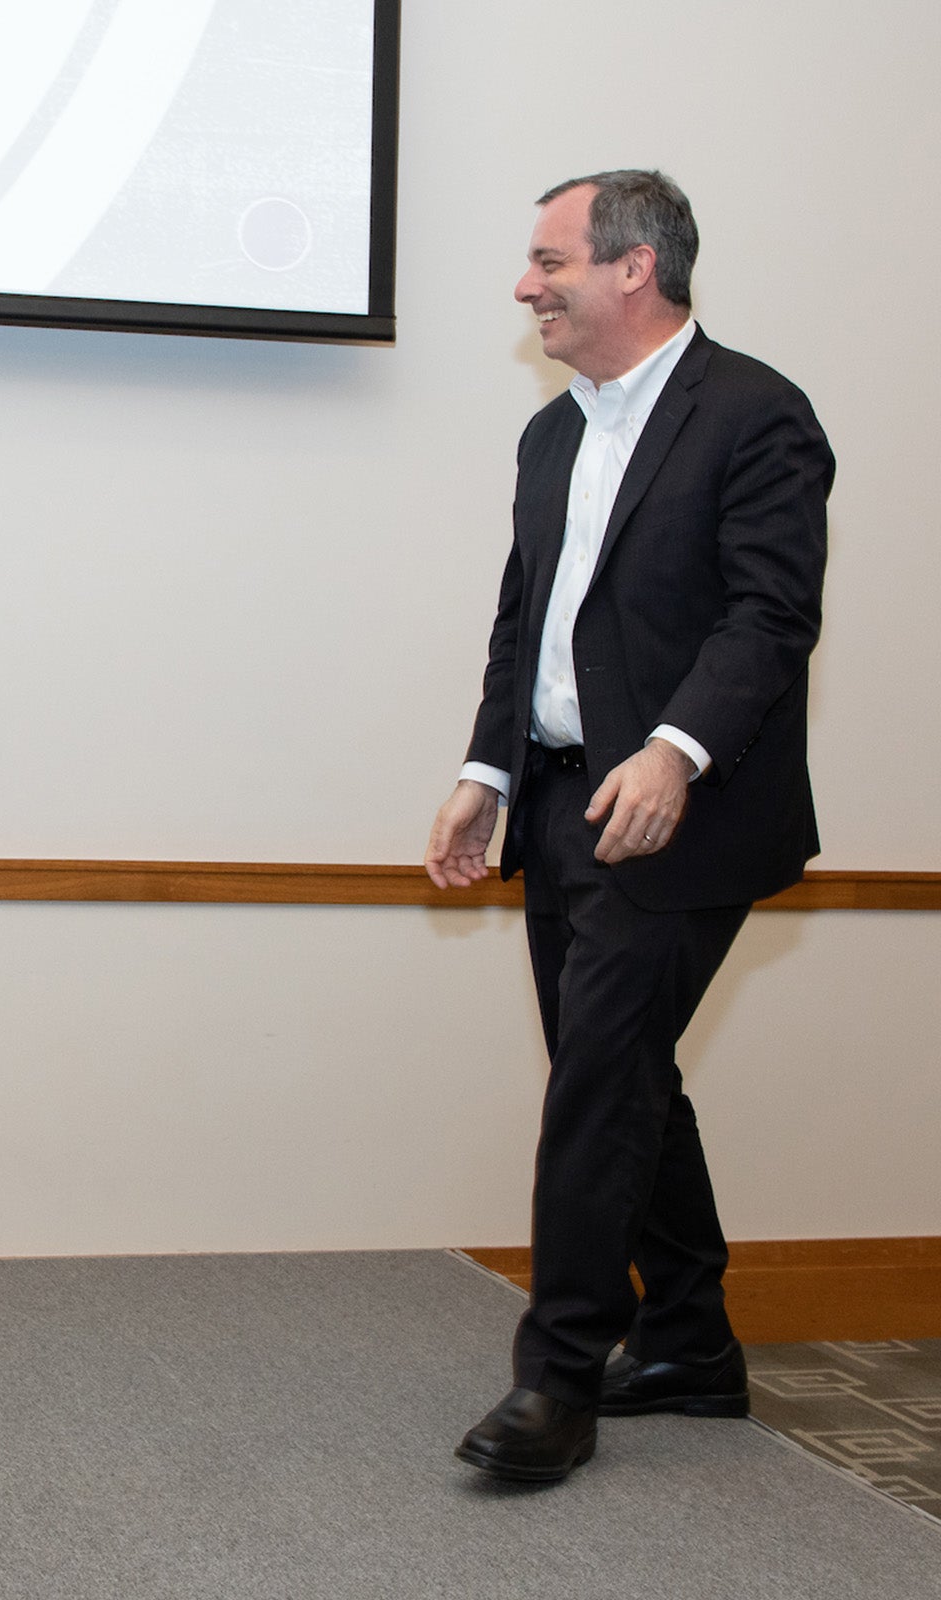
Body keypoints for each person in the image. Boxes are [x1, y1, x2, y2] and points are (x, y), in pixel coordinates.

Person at [424, 171, 832, 1482]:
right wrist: (486, 769)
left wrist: (676, 746)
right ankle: (693, 1344)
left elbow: (768, 616)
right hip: (557, 804)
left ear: (632, 270)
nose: (525, 284)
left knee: (597, 1084)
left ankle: (557, 1387)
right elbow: (522, 624)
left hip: (685, 818)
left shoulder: (757, 415)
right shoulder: (552, 435)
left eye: (549, 260)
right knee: (626, 1074)